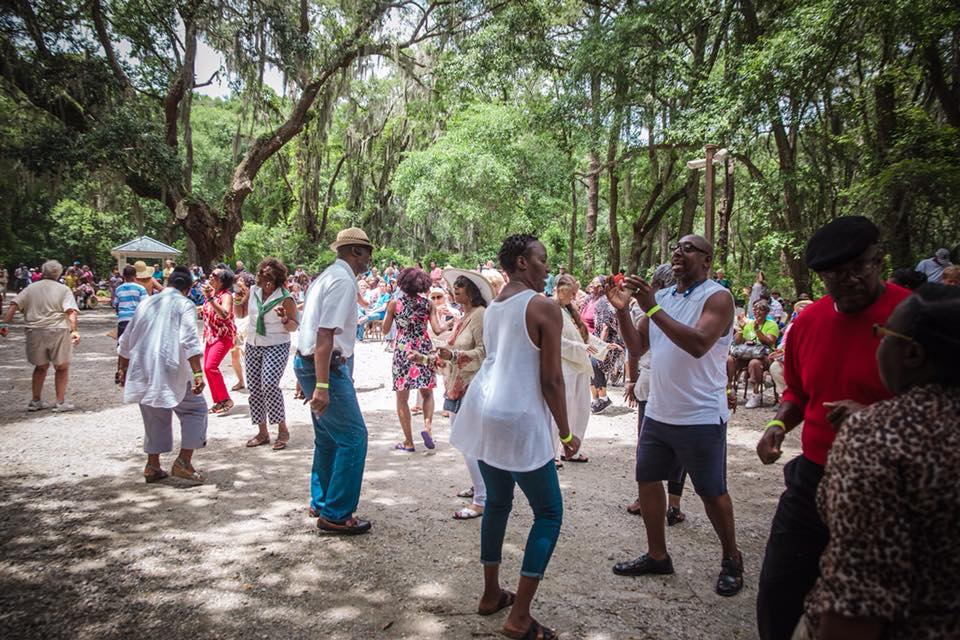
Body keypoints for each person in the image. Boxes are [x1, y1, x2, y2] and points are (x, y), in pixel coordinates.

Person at [754, 216, 911, 640]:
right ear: (821, 276)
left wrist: (872, 418)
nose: (853, 279)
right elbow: (798, 394)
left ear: (878, 260)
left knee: (870, 607)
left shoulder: (912, 317)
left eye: (862, 266)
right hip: (815, 475)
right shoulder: (808, 323)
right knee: (779, 586)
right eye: (837, 274)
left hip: (889, 484)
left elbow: (940, 405)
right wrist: (776, 424)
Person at [793, 284, 960, 640]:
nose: (877, 344)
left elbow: (858, 595)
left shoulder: (878, 436)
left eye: (882, 335)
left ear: (912, 354)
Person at [450, 234, 580, 640]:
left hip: (486, 410)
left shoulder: (496, 306)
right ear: (523, 262)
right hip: (520, 416)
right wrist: (566, 431)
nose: (547, 266)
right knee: (549, 513)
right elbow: (552, 379)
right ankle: (520, 616)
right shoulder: (543, 307)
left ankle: (492, 593)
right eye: (542, 259)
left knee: (498, 503)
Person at [607, 234, 743, 597]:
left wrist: (651, 308)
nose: (678, 253)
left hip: (699, 413)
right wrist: (623, 310)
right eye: (676, 248)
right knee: (648, 480)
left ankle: (731, 557)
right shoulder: (664, 297)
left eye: (689, 248)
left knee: (711, 492)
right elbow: (637, 347)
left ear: (707, 259)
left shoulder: (717, 297)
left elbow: (699, 344)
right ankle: (657, 554)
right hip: (660, 413)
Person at [294, 227, 375, 535]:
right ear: (355, 251)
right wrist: (323, 385)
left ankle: (323, 500)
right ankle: (337, 514)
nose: (369, 258)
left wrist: (306, 374)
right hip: (327, 367)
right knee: (354, 437)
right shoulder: (342, 281)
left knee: (327, 438)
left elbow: (309, 328)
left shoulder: (326, 277)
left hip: (311, 363)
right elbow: (325, 333)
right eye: (367, 251)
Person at [117, 266, 207, 484]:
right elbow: (189, 339)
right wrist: (197, 373)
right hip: (170, 366)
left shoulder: (146, 302)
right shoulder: (185, 304)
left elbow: (126, 340)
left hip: (143, 366)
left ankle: (152, 465)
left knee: (154, 414)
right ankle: (183, 462)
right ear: (188, 288)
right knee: (196, 410)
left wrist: (122, 368)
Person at [624, 264, 687, 526]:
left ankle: (659, 502)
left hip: (660, 383)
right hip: (666, 383)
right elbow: (636, 345)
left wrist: (632, 378)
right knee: (672, 448)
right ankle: (670, 504)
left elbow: (634, 350)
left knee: (649, 443)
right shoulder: (653, 308)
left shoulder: (654, 308)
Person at [438, 268, 492, 520]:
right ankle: (478, 487)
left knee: (468, 441)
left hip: (471, 386)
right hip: (457, 384)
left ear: (472, 291)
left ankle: (482, 499)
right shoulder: (464, 315)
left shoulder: (480, 315)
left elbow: (484, 352)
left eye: (461, 285)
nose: (455, 288)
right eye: (454, 285)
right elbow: (451, 348)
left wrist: (455, 356)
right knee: (466, 440)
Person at [234, 258, 298, 450]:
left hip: (276, 343)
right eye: (259, 273)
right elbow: (240, 314)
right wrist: (237, 298)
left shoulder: (286, 298)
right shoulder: (253, 292)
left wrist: (285, 318)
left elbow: (294, 326)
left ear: (273, 279)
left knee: (269, 384)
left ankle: (282, 429)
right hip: (254, 343)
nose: (259, 277)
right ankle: (262, 432)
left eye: (263, 274)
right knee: (254, 388)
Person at [0, 260, 80, 412]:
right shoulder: (63, 290)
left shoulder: (31, 288)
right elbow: (71, 312)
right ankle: (60, 402)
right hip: (58, 330)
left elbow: (14, 304)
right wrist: (74, 331)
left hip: (34, 330)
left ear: (43, 272)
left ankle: (36, 400)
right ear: (59, 273)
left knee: (40, 367)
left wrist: (4, 324)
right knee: (62, 367)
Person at [382, 267, 441, 452]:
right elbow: (437, 330)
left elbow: (384, 330)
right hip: (423, 347)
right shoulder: (428, 304)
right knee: (427, 393)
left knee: (402, 397)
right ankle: (427, 430)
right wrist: (451, 323)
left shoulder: (394, 304)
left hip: (403, 351)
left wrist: (389, 313)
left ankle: (408, 441)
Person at [553, 273, 593, 464]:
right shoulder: (552, 309)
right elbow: (555, 341)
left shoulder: (569, 311)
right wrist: (581, 348)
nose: (574, 298)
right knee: (563, 408)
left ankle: (572, 449)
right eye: (572, 294)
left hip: (579, 366)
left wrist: (600, 346)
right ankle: (551, 453)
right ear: (560, 291)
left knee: (582, 407)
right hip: (564, 365)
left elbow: (581, 337)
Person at [727, 299, 780, 409]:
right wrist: (741, 330)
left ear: (766, 312)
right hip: (746, 353)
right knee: (729, 360)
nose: (757, 311)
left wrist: (757, 331)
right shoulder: (749, 324)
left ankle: (756, 393)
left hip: (763, 356)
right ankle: (729, 388)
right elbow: (738, 342)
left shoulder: (772, 325)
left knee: (754, 363)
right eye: (755, 309)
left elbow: (769, 342)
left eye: (760, 309)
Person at [201, 267, 237, 415]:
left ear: (222, 281)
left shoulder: (226, 296)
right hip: (211, 336)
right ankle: (218, 401)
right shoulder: (212, 295)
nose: (210, 276)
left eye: (214, 275)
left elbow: (224, 314)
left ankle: (226, 399)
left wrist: (210, 299)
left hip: (223, 336)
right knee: (207, 369)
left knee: (211, 367)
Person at [590, 279, 624, 413]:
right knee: (592, 367)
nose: (592, 286)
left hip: (607, 343)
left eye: (595, 284)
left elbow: (605, 327)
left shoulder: (604, 302)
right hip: (596, 341)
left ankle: (603, 399)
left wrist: (599, 348)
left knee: (594, 365)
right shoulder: (594, 300)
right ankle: (596, 400)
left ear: (602, 287)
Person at [768, 298, 813, 392]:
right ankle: (786, 397)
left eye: (805, 308)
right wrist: (780, 351)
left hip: (808, 361)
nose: (802, 310)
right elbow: (784, 344)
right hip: (790, 360)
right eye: (799, 308)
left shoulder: (816, 326)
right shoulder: (791, 327)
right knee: (775, 367)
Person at [114, 265, 148, 340]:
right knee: (137, 344)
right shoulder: (140, 288)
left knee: (122, 344)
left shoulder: (118, 289)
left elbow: (116, 304)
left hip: (123, 319)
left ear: (124, 276)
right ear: (135, 276)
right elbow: (145, 304)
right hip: (137, 319)